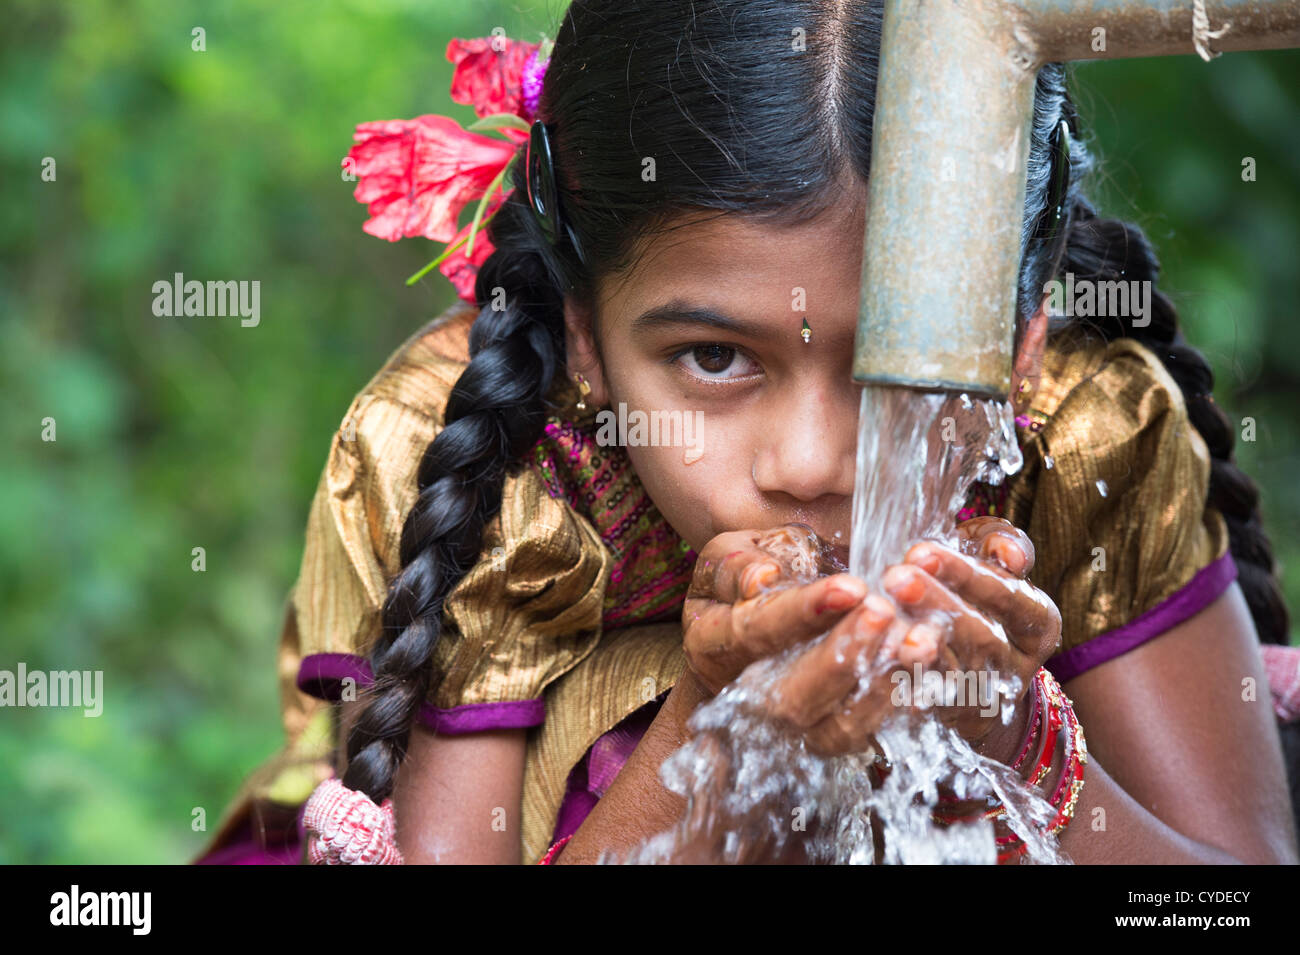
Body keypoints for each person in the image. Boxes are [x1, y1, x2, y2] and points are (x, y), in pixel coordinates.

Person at [195, 0, 1300, 865]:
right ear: (585, 336)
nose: (810, 464)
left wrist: (1012, 746)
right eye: (714, 359)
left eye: (892, 370)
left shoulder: (1079, 427)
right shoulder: (495, 466)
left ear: (1020, 342)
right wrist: (718, 740)